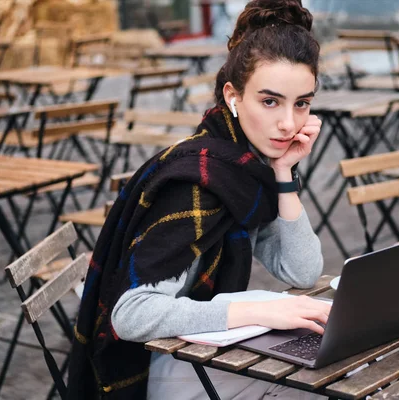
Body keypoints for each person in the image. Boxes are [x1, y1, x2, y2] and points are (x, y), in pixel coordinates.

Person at [67, 1, 330, 398]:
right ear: (233, 96)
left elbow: (302, 271)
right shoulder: (197, 182)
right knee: (321, 386)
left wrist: (283, 173)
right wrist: (261, 310)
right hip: (154, 363)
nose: (289, 124)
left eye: (302, 103)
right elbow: (132, 314)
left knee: (336, 370)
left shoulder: (250, 170)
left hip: (205, 350)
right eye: (270, 101)